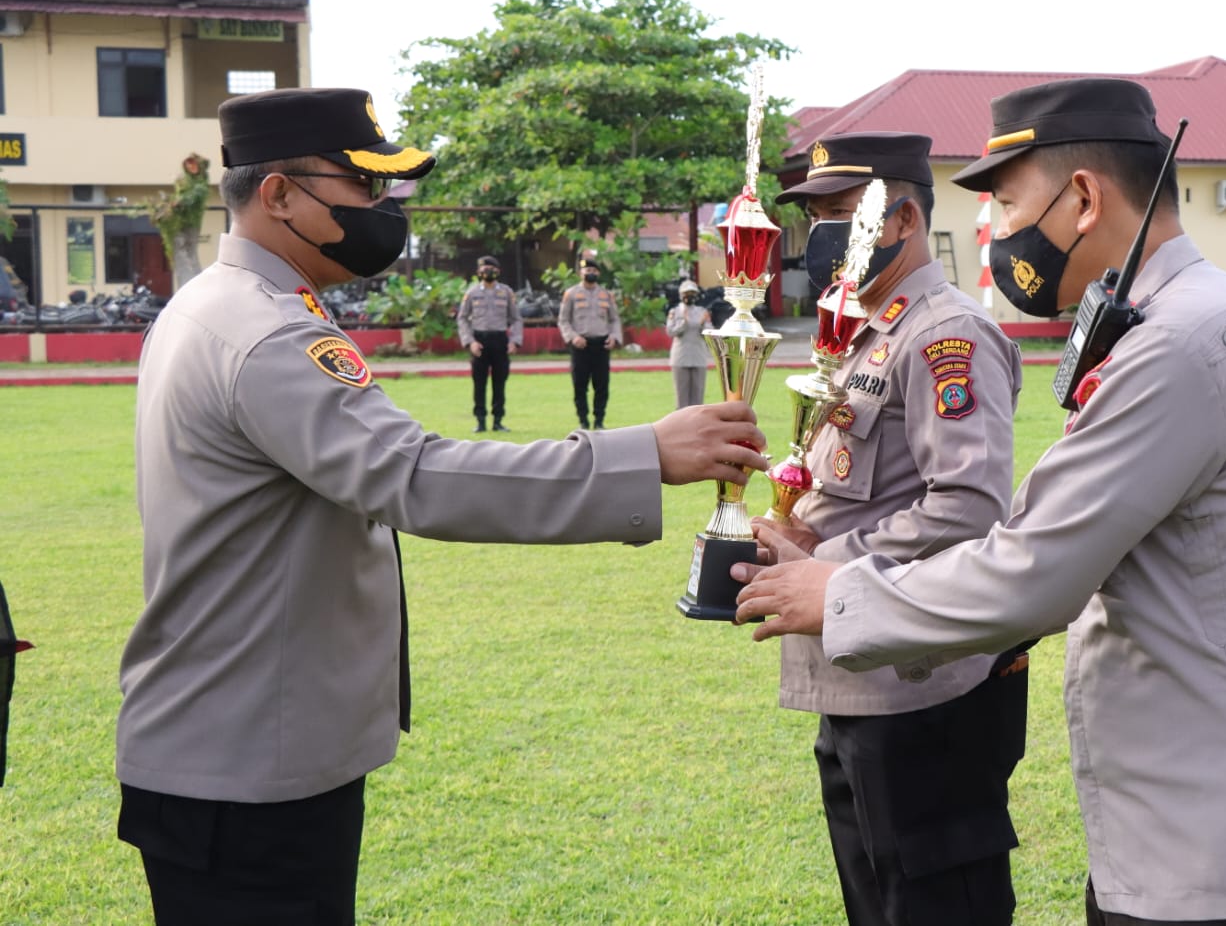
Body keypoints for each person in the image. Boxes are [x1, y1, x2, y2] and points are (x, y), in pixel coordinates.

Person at [733, 79, 1226, 925]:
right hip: (1200, 825)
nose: (995, 234)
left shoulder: (1177, 344)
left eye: (1005, 204)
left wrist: (838, 590)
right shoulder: (1179, 321)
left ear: (1083, 197)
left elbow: (1033, 567)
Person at [115, 87, 767, 926]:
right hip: (244, 769)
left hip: (234, 741)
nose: (381, 213)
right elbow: (415, 476)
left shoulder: (216, 306)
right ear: (277, 194)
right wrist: (643, 454)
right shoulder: (266, 332)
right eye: (360, 188)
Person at [754, 132, 1028, 926]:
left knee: (935, 902)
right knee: (877, 901)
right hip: (859, 670)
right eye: (817, 219)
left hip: (922, 686)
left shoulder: (945, 336)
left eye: (842, 215)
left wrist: (822, 562)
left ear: (902, 218)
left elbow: (968, 505)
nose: (821, 238)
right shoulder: (865, 328)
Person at [457, 254, 522, 432]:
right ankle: (480, 421)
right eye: (484, 269)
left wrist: (514, 341)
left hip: (500, 341)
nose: (487, 272)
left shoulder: (507, 292)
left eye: (491, 269)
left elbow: (516, 319)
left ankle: (498, 421)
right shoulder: (471, 293)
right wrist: (470, 342)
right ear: (479, 272)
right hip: (479, 342)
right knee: (479, 384)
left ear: (498, 271)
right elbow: (462, 319)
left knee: (499, 383)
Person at [557, 257, 623, 429]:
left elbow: (615, 319)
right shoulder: (571, 294)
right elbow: (563, 320)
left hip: (601, 345)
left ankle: (599, 420)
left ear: (598, 273)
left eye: (594, 271)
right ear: (581, 272)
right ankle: (583, 421)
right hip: (581, 345)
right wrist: (573, 337)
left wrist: (614, 336)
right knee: (580, 385)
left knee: (602, 385)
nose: (590, 273)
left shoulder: (606, 295)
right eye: (587, 271)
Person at [665, 279, 711, 409]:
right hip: (681, 357)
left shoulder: (702, 312)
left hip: (698, 356)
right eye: (686, 293)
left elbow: (709, 333)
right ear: (681, 295)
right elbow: (670, 331)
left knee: (698, 395)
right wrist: (683, 322)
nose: (689, 296)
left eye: (692, 293)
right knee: (681, 397)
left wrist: (702, 324)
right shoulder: (675, 312)